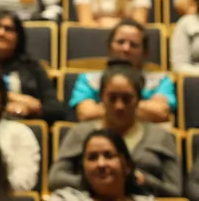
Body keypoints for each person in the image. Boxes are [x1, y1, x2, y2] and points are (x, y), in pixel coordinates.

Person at [51, 64, 181, 197]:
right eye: (112, 98)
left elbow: (175, 190)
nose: (119, 106)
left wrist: (144, 181)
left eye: (127, 99)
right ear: (101, 98)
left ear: (139, 100)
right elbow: (55, 178)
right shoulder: (80, 133)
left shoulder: (160, 136)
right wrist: (97, 182)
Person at [69, 21, 176, 125]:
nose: (126, 48)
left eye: (133, 45)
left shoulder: (161, 80)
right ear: (109, 46)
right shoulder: (88, 79)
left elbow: (160, 112)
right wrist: (140, 107)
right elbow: (86, 113)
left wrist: (105, 107)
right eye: (120, 42)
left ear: (145, 52)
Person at [49, 129, 155, 201]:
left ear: (127, 166)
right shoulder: (65, 199)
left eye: (109, 156)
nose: (101, 164)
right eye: (92, 158)